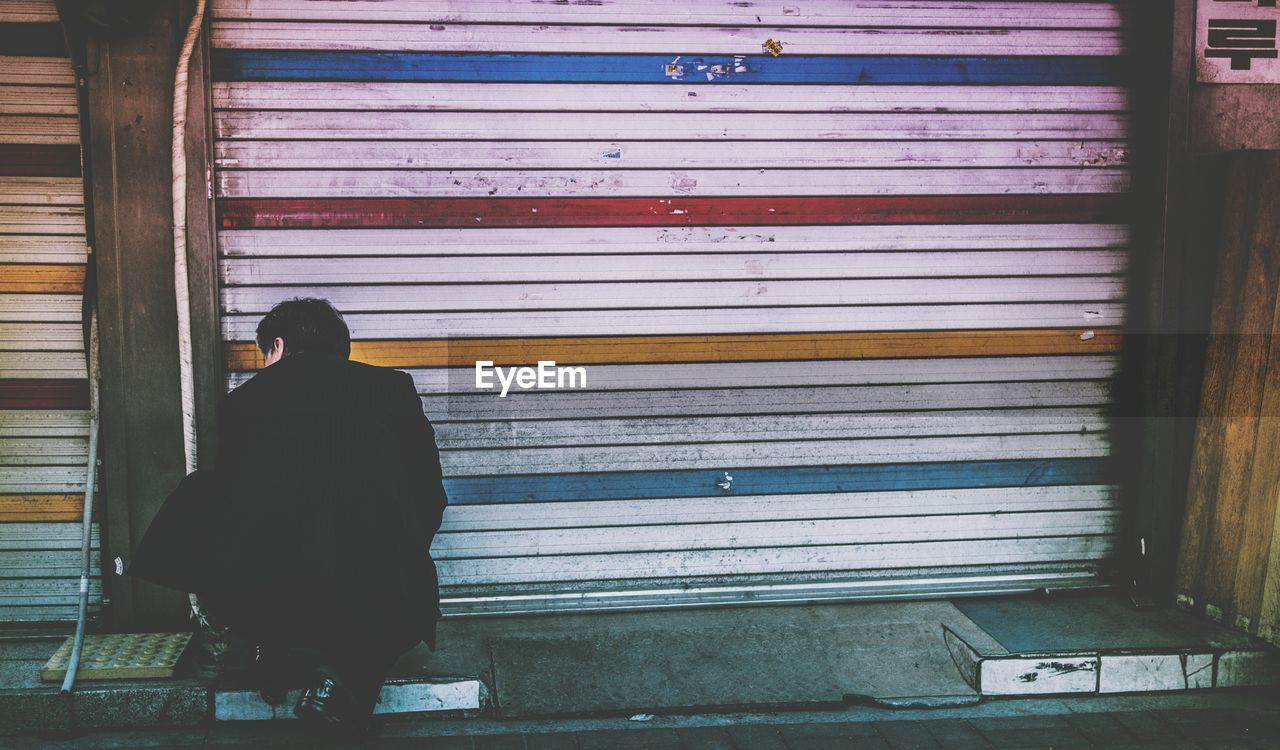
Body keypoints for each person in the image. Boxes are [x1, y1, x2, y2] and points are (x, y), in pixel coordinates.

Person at [131, 298, 448, 728]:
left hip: (271, 582)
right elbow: (429, 490)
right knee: (392, 603)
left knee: (204, 489)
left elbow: (236, 504)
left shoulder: (243, 403)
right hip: (373, 584)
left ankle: (269, 646)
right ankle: (336, 680)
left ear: (278, 345)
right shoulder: (392, 388)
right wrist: (399, 551)